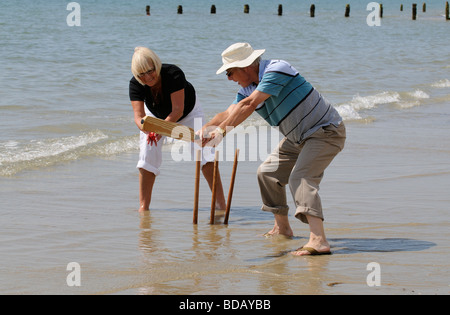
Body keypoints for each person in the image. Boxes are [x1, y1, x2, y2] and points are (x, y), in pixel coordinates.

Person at [199, 43, 346, 256]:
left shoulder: (276, 69)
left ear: (245, 66)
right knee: (267, 173)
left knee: (301, 178)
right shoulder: (248, 89)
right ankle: (283, 228)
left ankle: (319, 240)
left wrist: (220, 133)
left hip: (325, 132)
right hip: (297, 138)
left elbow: (249, 106)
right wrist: (205, 130)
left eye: (230, 72)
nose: (229, 78)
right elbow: (229, 112)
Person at [129, 47, 226, 212]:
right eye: (141, 75)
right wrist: (148, 130)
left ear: (157, 65)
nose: (147, 77)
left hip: (187, 112)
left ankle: (221, 204)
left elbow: (177, 110)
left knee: (204, 150)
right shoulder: (135, 84)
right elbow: (139, 117)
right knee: (147, 152)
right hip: (155, 116)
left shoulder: (173, 73)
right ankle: (143, 207)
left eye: (150, 71)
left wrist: (161, 130)